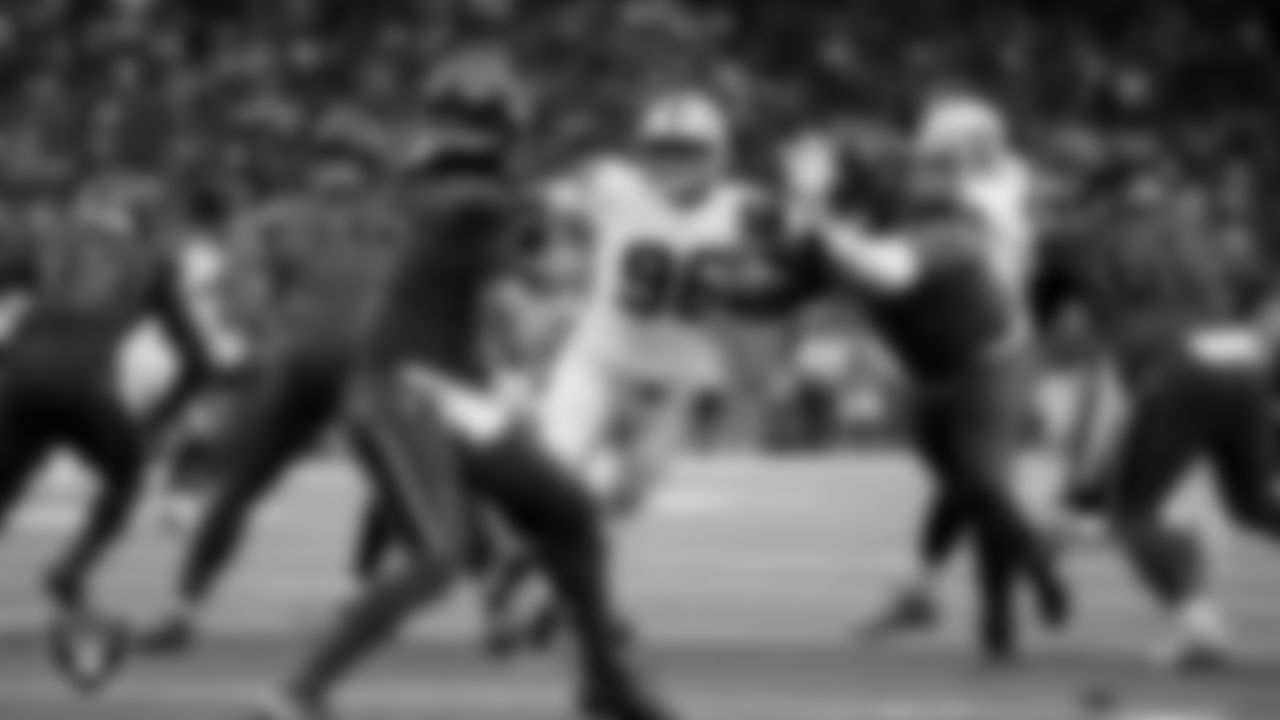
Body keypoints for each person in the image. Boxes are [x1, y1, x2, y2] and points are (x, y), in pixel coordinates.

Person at [253, 54, 678, 720]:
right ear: (504, 121)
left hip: (443, 391)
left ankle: (605, 685)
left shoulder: (437, 183)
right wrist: (604, 203)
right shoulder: (474, 197)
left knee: (570, 512)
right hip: (400, 391)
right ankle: (295, 694)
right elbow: (544, 263)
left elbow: (500, 255)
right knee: (436, 557)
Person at [722, 131, 1069, 661]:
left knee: (981, 477)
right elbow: (776, 298)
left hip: (993, 361)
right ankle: (981, 603)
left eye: (834, 185)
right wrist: (710, 290)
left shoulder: (942, 216)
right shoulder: (837, 230)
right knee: (968, 487)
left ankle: (1033, 574)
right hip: (930, 376)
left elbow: (888, 271)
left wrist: (817, 215)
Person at [1034, 163, 1280, 668]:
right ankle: (1195, 615)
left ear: (1100, 195)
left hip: (1173, 364)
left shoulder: (1072, 234)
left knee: (1133, 514)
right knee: (1252, 502)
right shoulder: (1197, 225)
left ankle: (1198, 628)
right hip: (1241, 352)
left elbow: (1041, 312)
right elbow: (1255, 293)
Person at [0, 186, 209, 620]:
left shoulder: (45, 242)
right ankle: (72, 570)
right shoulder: (153, 261)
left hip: (22, 380)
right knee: (127, 473)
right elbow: (198, 363)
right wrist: (154, 423)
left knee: (8, 479)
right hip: (86, 387)